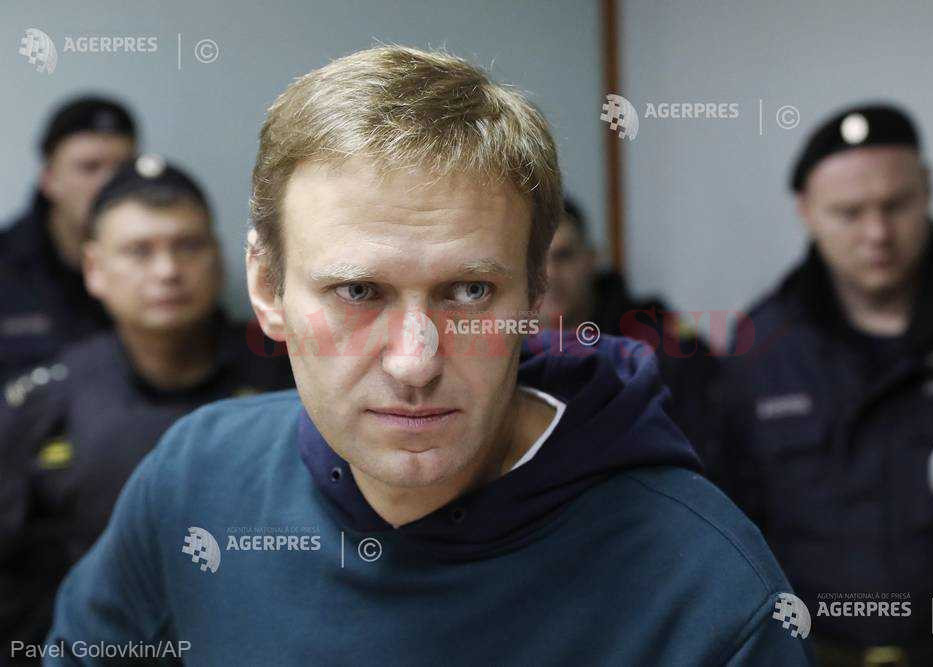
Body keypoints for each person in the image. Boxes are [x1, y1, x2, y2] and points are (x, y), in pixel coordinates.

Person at [43, 47, 811, 666]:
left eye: (470, 291)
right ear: (267, 287)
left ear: (537, 292)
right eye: (357, 291)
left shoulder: (704, 588)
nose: (415, 362)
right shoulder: (198, 479)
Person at [711, 104, 933, 664]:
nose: (877, 234)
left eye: (896, 205)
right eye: (849, 213)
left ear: (928, 189)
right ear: (806, 212)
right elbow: (733, 532)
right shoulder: (763, 347)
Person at [0, 155, 294, 661]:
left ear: (221, 256)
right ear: (94, 269)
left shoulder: (289, 378)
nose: (167, 271)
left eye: (188, 246)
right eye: (139, 251)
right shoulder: (45, 401)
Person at [539, 197, 718, 450]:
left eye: (563, 256)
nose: (549, 274)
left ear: (591, 259)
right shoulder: (504, 361)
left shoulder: (659, 349)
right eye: (535, 260)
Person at [0, 96, 138, 384]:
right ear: (49, 178)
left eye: (123, 169)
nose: (109, 184)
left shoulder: (162, 265)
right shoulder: (6, 264)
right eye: (89, 167)